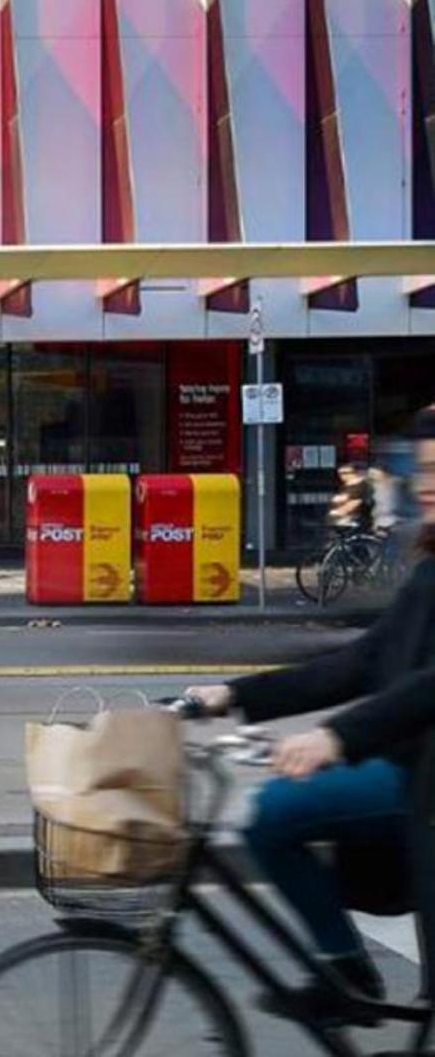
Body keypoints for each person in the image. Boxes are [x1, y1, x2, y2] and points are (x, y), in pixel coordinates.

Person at [187, 406, 435, 1028]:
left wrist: (336, 736)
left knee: (275, 812)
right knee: (274, 812)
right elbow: (364, 661)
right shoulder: (430, 567)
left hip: (421, 777)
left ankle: (343, 969)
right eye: (424, 469)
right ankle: (343, 968)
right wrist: (235, 694)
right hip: (413, 765)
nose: (427, 484)